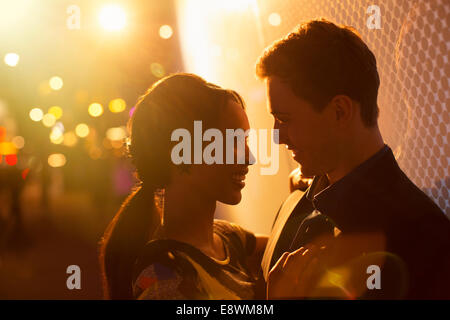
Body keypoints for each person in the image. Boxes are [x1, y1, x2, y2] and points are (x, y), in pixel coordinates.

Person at [256, 19, 450, 299]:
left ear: (339, 112)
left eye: (284, 119)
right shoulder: (296, 203)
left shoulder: (425, 241)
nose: (277, 136)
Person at [99, 73, 267, 300]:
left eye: (245, 141)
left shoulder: (227, 238)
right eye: (233, 142)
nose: (250, 158)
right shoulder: (164, 282)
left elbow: (288, 245)